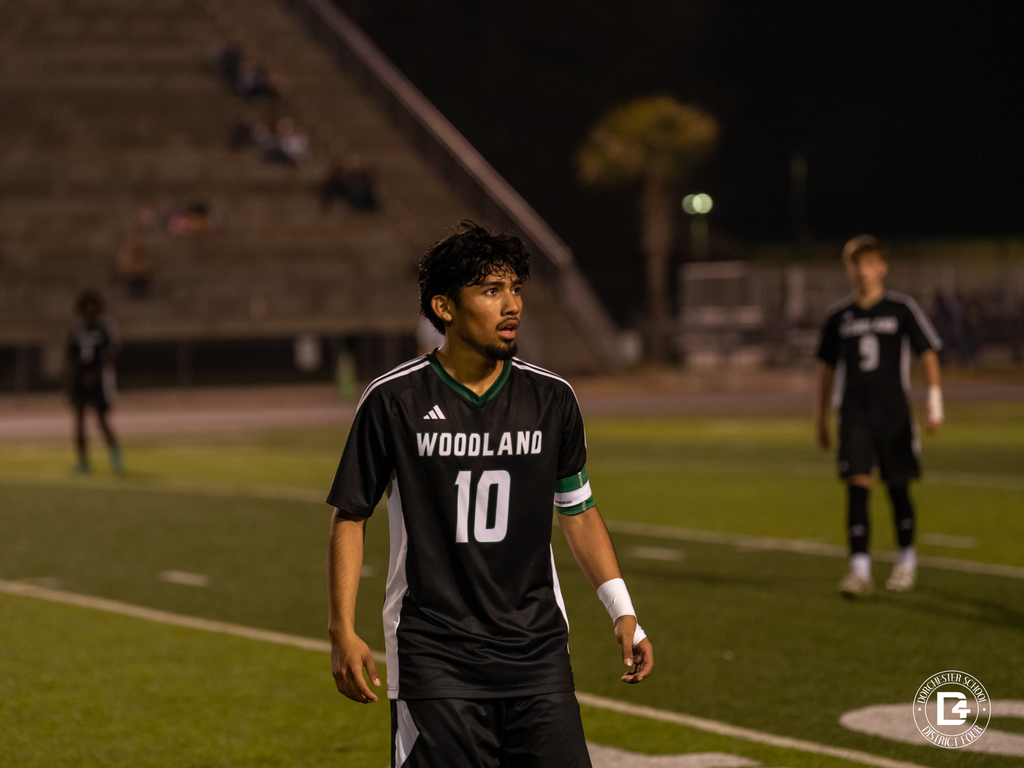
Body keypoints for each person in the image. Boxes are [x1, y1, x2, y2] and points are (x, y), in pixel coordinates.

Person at [326, 222, 653, 767]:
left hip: (537, 651)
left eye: (516, 289)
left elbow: (578, 510)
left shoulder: (552, 399)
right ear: (444, 307)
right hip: (436, 657)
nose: (512, 306)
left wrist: (623, 611)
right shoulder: (394, 400)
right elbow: (350, 515)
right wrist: (342, 628)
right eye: (491, 290)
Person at [815, 235, 943, 597]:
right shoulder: (838, 316)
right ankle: (860, 570)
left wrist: (935, 402)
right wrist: (820, 418)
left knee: (898, 488)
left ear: (882, 267)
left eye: (870, 263)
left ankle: (906, 560)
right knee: (857, 488)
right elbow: (825, 370)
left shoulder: (901, 308)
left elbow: (928, 353)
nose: (863, 271)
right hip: (854, 415)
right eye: (857, 264)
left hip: (894, 414)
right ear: (849, 269)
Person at [67, 290, 123, 474]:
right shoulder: (77, 328)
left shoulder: (104, 328)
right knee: (79, 421)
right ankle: (83, 461)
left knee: (102, 420)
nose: (90, 309)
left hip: (98, 381)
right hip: (80, 381)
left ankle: (116, 458)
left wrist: (97, 373)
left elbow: (111, 354)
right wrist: (73, 379)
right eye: (87, 305)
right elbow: (71, 356)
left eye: (93, 305)